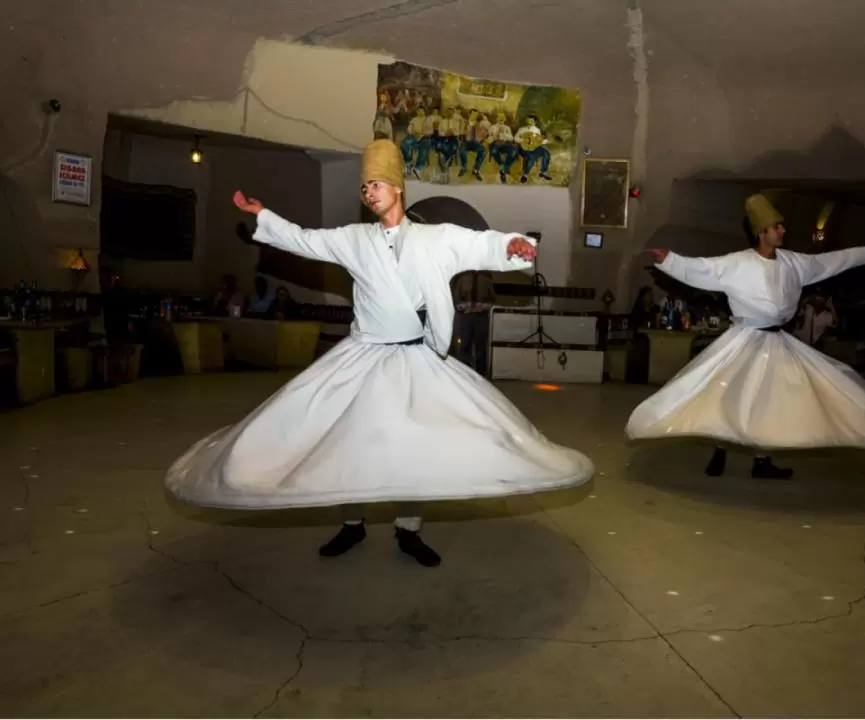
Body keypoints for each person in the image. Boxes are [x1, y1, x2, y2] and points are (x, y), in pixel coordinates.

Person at [165, 139, 594, 567]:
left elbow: (482, 246)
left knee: (413, 448)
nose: (369, 192)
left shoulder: (436, 239)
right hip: (362, 356)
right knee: (350, 442)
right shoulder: (354, 239)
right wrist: (265, 217)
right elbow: (304, 239)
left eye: (376, 184)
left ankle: (409, 531)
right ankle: (352, 524)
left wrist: (513, 247)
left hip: (416, 360)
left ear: (397, 187)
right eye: (363, 187)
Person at [626, 194, 865, 479]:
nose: (783, 231)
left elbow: (826, 262)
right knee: (727, 396)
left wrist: (861, 255)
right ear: (762, 233)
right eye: (777, 227)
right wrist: (669, 260)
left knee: (769, 402)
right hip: (744, 340)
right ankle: (720, 449)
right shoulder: (737, 263)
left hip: (777, 342)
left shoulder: (793, 263)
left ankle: (762, 461)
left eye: (782, 226)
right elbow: (702, 269)